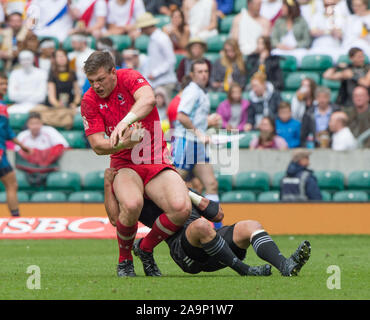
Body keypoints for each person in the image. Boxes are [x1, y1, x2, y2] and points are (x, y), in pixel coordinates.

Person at [81, 51, 192, 277]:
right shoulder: (89, 100)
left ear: (113, 72)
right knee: (131, 205)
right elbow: (97, 145)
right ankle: (124, 261)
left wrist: (124, 122)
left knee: (181, 209)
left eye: (101, 79)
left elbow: (148, 100)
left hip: (155, 159)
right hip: (124, 163)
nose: (96, 86)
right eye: (92, 81)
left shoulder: (130, 77)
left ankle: (145, 248)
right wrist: (123, 144)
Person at [104, 167, 312, 277]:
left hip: (213, 244)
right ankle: (245, 269)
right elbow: (115, 219)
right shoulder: (137, 195)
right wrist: (108, 184)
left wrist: (188, 192)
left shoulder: (175, 187)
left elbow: (218, 215)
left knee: (252, 225)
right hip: (184, 250)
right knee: (201, 227)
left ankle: (284, 265)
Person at [173, 58, 223, 229]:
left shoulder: (201, 92)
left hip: (196, 144)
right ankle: (162, 222)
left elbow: (192, 118)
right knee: (174, 184)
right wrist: (200, 133)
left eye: (206, 71)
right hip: (186, 142)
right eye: (200, 72)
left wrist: (208, 123)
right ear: (193, 75)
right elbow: (181, 116)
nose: (204, 75)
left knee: (211, 184)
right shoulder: (192, 91)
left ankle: (218, 229)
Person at [0, 72, 31, 216]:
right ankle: (15, 220)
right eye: (1, 84)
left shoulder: (3, 105)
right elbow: (7, 131)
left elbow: (7, 132)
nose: (4, 87)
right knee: (12, 184)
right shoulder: (1, 107)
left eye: (5, 83)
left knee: (11, 184)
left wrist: (22, 146)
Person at [15, 112, 69, 186]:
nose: (35, 126)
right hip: (28, 168)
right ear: (28, 124)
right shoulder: (23, 135)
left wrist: (45, 156)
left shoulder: (49, 131)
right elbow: (17, 153)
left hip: (49, 166)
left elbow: (63, 145)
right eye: (32, 123)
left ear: (41, 123)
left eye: (37, 123)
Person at [136, 12, 177, 100]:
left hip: (165, 82)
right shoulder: (153, 39)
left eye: (142, 28)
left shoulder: (162, 38)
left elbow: (171, 60)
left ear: (147, 27)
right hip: (157, 83)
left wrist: (155, 73)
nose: (141, 31)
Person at [271, 0, 311, 65]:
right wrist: (279, 45)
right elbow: (273, 39)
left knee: (303, 55)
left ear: (291, 8)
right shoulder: (279, 21)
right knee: (274, 54)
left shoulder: (302, 21)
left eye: (284, 6)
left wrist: (295, 46)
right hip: (281, 50)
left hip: (297, 50)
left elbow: (307, 41)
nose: (282, 9)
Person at [7, 50, 48, 114]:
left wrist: (20, 94)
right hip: (17, 106)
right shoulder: (14, 74)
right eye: (23, 59)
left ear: (33, 59)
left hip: (37, 106)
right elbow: (12, 96)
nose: (25, 62)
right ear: (19, 61)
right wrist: (32, 94)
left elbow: (41, 97)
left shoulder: (42, 73)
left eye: (28, 59)